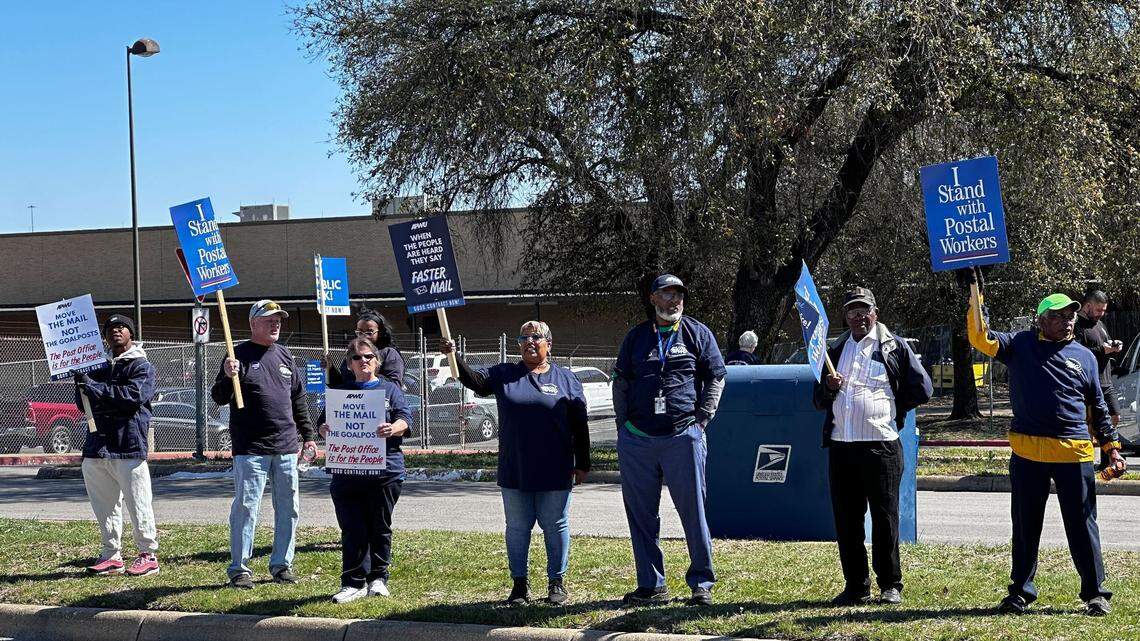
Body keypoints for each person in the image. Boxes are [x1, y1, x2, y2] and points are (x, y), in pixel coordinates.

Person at [966, 281, 1126, 616]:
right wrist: (975, 291)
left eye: (1070, 315)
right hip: (1028, 454)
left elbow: (1097, 406)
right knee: (1025, 526)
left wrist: (1111, 448)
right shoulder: (1019, 345)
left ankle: (1096, 593)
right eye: (1058, 316)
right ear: (1041, 320)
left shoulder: (1085, 356)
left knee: (1083, 525)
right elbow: (980, 337)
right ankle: (1021, 592)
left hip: (1074, 454)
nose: (1068, 321)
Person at [440, 321, 590, 605]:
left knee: (555, 525)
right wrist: (454, 356)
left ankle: (556, 582)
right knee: (517, 528)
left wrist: (582, 462)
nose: (529, 342)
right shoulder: (505, 373)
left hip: (555, 468)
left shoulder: (566, 379)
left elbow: (579, 424)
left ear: (549, 343)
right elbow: (474, 380)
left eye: (536, 337)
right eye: (524, 338)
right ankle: (519, 585)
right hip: (515, 467)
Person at [812, 287, 932, 606]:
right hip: (842, 448)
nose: (858, 316)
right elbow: (816, 400)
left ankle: (890, 584)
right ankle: (856, 585)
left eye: (864, 310)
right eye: (851, 311)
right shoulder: (834, 351)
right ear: (845, 317)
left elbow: (923, 388)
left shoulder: (894, 347)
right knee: (848, 520)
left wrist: (893, 410)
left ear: (875, 313)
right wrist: (827, 386)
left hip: (881, 447)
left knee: (884, 519)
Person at [612, 274, 726, 606]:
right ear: (653, 299)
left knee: (694, 512)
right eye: (667, 294)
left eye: (678, 294)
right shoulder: (635, 338)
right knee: (641, 515)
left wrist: (702, 419)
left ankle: (701, 583)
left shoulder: (697, 333)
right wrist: (623, 427)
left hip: (683, 436)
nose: (674, 300)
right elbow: (620, 382)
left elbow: (717, 376)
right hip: (638, 440)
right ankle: (652, 585)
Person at [211, 300, 316, 589]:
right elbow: (218, 396)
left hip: (285, 446)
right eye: (269, 320)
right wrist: (228, 375)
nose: (276, 324)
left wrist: (308, 437)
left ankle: (282, 565)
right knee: (246, 508)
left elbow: (298, 401)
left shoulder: (285, 356)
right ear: (253, 324)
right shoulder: (237, 356)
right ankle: (239, 568)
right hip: (251, 449)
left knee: (288, 508)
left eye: (278, 320)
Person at [318, 337, 412, 603]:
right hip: (347, 472)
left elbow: (405, 418)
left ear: (377, 361)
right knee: (352, 528)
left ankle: (378, 579)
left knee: (379, 527)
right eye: (357, 358)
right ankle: (353, 581)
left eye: (368, 356)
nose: (363, 362)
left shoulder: (390, 390)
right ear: (349, 364)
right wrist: (323, 429)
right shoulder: (341, 392)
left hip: (385, 472)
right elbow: (323, 422)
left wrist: (393, 428)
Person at [74, 314, 159, 576]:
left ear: (131, 334)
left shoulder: (141, 366)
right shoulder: (96, 367)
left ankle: (148, 555)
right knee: (105, 504)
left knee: (138, 502)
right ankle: (112, 554)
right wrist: (81, 385)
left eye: (122, 327)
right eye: (110, 328)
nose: (116, 332)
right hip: (96, 447)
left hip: (128, 445)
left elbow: (131, 398)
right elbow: (83, 405)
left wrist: (95, 388)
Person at [1075, 291, 1124, 432]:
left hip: (1106, 382)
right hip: (1088, 384)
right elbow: (1077, 352)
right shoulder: (1077, 324)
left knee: (1115, 417)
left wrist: (1114, 346)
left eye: (1103, 310)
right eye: (1098, 310)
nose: (1101, 313)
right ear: (1088, 306)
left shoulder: (1100, 324)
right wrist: (1103, 350)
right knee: (1088, 425)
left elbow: (1105, 343)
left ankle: (1106, 452)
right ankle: (1089, 453)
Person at [326, 308, 405, 389]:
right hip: (353, 400)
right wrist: (330, 369)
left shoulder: (389, 353)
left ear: (380, 332)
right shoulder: (352, 353)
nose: (364, 336)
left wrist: (370, 376)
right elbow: (342, 385)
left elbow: (395, 385)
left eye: (369, 332)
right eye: (359, 332)